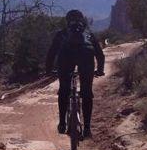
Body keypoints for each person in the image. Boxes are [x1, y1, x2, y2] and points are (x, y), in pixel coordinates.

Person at [45, 9, 105, 138]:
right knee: (87, 93)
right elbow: (100, 55)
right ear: (82, 20)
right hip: (86, 58)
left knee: (64, 90)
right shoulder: (89, 33)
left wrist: (48, 70)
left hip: (66, 58)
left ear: (67, 21)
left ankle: (62, 123)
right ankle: (87, 128)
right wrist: (100, 70)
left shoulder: (61, 34)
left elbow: (51, 53)